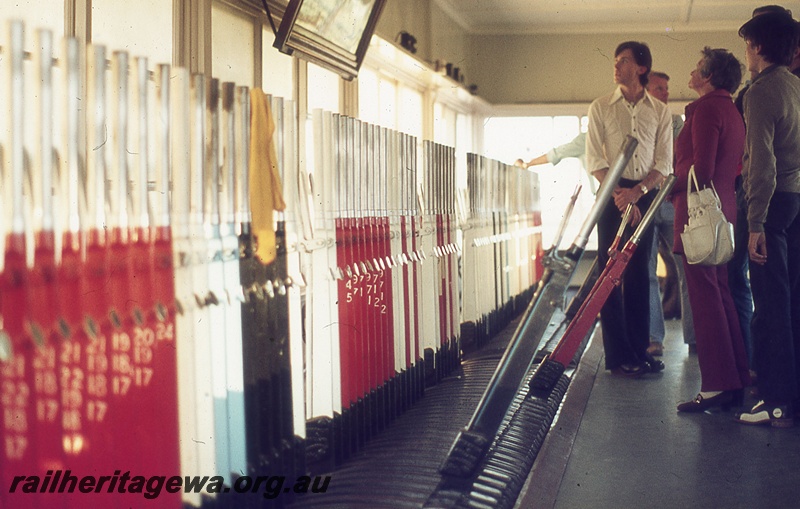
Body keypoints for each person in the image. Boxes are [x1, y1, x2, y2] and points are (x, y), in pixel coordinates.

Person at [670, 47, 751, 413]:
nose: (692, 70)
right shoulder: (731, 109)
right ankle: (735, 377)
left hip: (698, 216)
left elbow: (699, 170)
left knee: (705, 301)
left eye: (697, 66)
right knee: (721, 294)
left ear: (708, 74)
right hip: (723, 212)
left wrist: (670, 185)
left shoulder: (705, 109)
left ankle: (717, 385)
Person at [586, 41, 672, 377]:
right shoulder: (602, 106)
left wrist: (638, 193)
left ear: (641, 68)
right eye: (615, 59)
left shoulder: (660, 111)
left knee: (639, 273)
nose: (616, 66)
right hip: (611, 195)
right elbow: (594, 158)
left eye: (623, 61)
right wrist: (620, 194)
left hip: (645, 194)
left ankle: (640, 351)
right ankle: (617, 355)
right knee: (609, 274)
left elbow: (663, 163)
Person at [734, 11, 800, 427]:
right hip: (795, 199)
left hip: (771, 205)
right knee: (791, 302)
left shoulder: (760, 91)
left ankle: (776, 403)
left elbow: (761, 163)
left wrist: (755, 222)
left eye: (747, 45)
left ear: (758, 47)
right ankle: (789, 399)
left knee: (770, 307)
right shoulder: (795, 85)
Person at [644, 71, 696, 358]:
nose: (665, 93)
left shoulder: (676, 122)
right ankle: (654, 337)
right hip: (646, 202)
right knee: (648, 271)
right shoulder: (636, 122)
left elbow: (681, 158)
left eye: (667, 88)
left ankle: (695, 338)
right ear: (645, 91)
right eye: (659, 88)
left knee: (686, 267)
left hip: (672, 201)